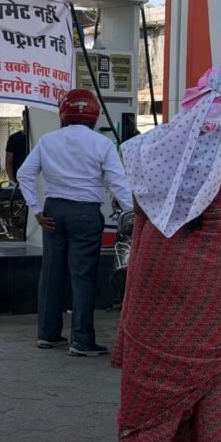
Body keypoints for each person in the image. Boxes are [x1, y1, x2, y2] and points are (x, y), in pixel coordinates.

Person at [113, 67, 221, 442]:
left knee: (154, 374)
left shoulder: (158, 149)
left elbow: (140, 208)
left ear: (196, 97)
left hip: (161, 288)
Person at [17, 89, 133, 356]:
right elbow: (118, 184)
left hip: (52, 212)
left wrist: (36, 210)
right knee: (82, 275)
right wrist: (136, 213)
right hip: (85, 214)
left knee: (51, 272)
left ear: (63, 114)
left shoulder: (47, 140)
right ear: (94, 115)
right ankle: (81, 339)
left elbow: (24, 174)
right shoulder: (102, 144)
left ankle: (48, 334)